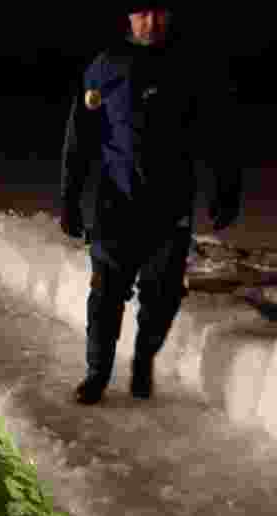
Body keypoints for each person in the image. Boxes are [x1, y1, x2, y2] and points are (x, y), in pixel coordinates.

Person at [59, 5, 241, 404]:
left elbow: (218, 131)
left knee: (163, 295)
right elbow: (81, 138)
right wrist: (69, 198)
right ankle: (97, 374)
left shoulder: (191, 67)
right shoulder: (105, 68)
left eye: (159, 14)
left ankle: (144, 359)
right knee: (106, 292)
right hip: (115, 200)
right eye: (143, 14)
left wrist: (226, 188)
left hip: (170, 202)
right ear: (127, 16)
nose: (152, 24)